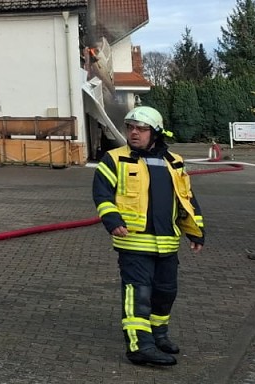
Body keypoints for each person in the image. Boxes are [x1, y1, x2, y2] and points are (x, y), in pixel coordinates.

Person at [92, 105, 205, 367]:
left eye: (141, 129)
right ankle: (139, 347)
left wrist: (196, 231)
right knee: (139, 294)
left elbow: (186, 199)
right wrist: (112, 219)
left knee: (166, 293)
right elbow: (102, 194)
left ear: (155, 132)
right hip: (133, 242)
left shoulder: (174, 161)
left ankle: (158, 336)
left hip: (167, 243)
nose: (133, 133)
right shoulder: (114, 159)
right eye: (130, 128)